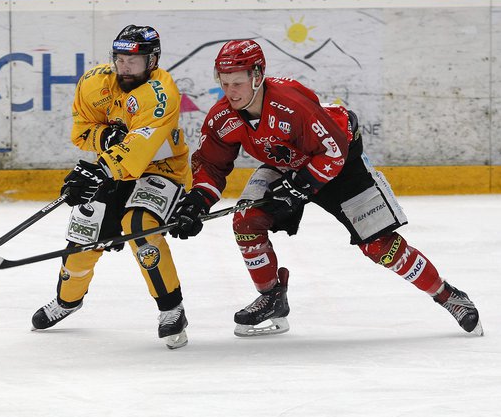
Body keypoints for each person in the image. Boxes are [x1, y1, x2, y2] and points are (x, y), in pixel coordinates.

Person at [170, 39, 483, 338]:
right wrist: (197, 200)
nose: (230, 91)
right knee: (246, 220)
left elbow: (333, 151)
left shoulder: (291, 103)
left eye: (236, 82)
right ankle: (271, 298)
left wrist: (301, 187)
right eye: (224, 83)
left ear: (257, 76)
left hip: (340, 161)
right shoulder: (222, 117)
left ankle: (448, 296)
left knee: (379, 246)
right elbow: (211, 166)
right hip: (288, 164)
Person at [32, 25, 191, 349]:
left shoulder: (162, 93)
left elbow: (140, 147)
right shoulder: (94, 83)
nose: (125, 67)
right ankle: (67, 300)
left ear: (153, 60)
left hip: (162, 169)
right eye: (119, 59)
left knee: (139, 225)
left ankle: (171, 308)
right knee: (84, 230)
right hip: (116, 171)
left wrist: (98, 168)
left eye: (134, 60)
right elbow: (81, 131)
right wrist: (105, 137)